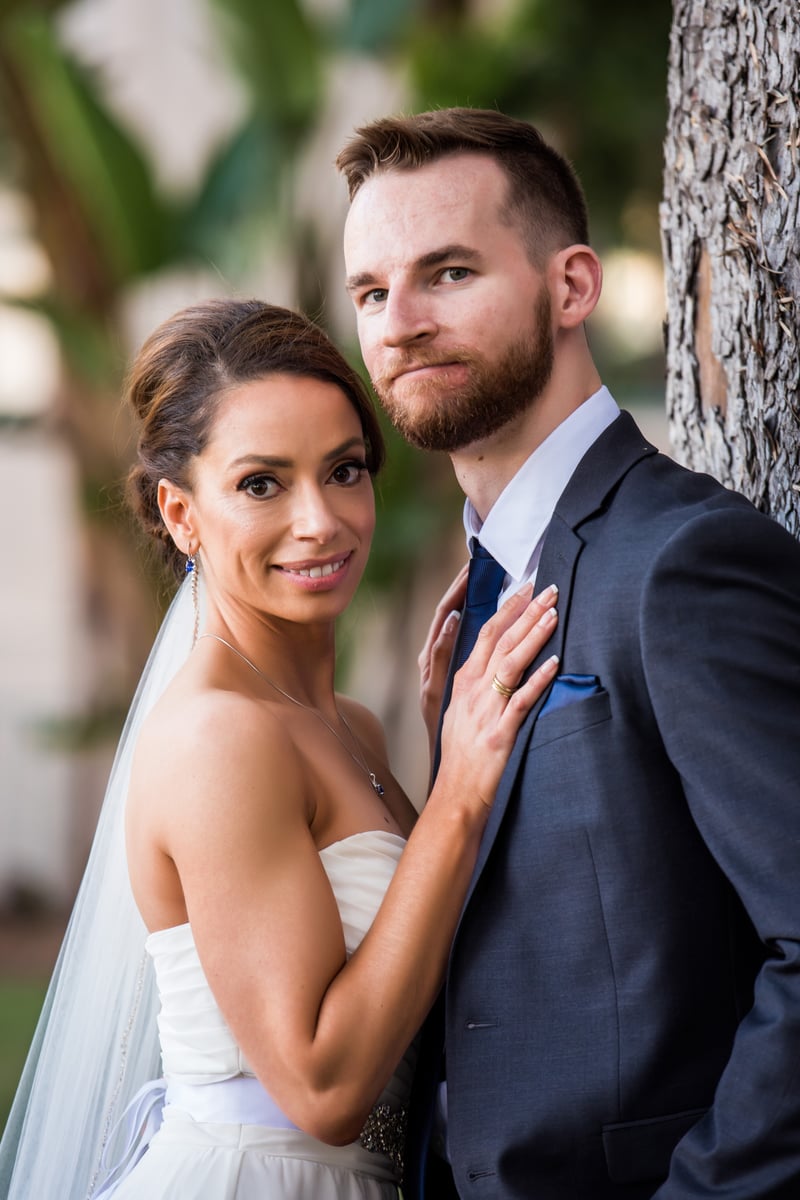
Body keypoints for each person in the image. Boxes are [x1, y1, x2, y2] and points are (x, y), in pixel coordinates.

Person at [336, 107, 800, 1198]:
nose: (400, 324)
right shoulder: (475, 596)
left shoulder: (683, 563)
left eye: (448, 273)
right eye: (371, 292)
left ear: (572, 286)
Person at [0, 299, 560, 1200]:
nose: (321, 521)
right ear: (181, 514)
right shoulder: (221, 736)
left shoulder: (349, 726)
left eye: (344, 470)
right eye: (262, 484)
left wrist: (440, 743)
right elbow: (323, 1086)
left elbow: (410, 964)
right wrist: (457, 794)